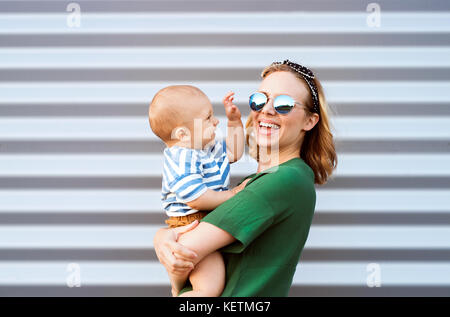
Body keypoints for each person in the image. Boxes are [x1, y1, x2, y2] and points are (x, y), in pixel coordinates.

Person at [154, 60, 338, 296]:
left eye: (283, 104)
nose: (267, 110)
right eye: (260, 100)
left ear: (309, 121)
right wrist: (162, 238)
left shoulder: (284, 180)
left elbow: (183, 252)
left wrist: (162, 242)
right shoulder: (269, 179)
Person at [148, 85, 247, 296]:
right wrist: (232, 195)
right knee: (209, 290)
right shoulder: (181, 157)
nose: (216, 121)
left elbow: (234, 152)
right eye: (208, 117)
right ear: (183, 134)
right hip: (192, 225)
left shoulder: (205, 148)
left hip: (203, 222)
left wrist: (234, 122)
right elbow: (196, 198)